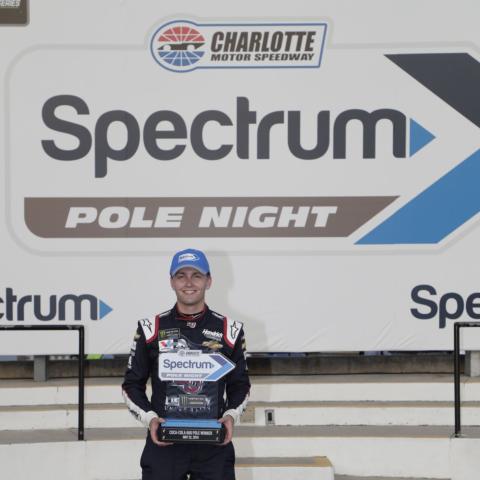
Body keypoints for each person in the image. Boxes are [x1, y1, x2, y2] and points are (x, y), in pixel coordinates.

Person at [122, 248, 250, 480]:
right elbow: (131, 385)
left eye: (196, 276)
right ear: (171, 281)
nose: (189, 282)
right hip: (164, 441)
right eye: (181, 276)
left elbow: (240, 385)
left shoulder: (230, 331)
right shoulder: (150, 329)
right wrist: (150, 419)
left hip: (214, 442)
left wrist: (231, 415)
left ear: (208, 281)